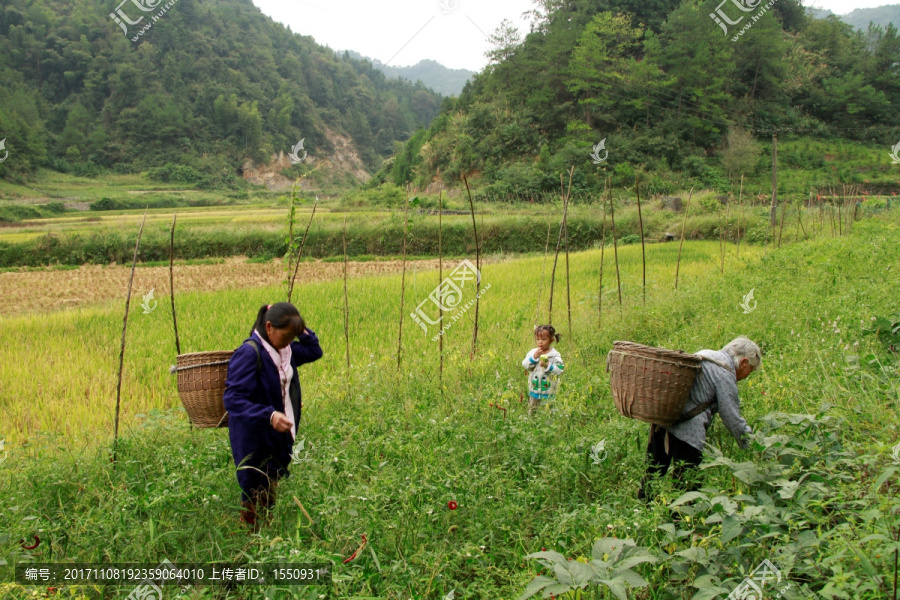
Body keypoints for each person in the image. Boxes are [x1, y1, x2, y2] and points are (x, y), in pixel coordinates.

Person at [223, 302, 323, 529]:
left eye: (293, 337)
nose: (290, 341)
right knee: (253, 488)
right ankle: (249, 538)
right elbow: (232, 399)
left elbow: (314, 351)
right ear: (269, 327)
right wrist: (269, 415)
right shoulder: (249, 353)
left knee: (270, 485)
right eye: (287, 335)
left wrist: (302, 329)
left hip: (278, 433)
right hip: (254, 436)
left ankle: (264, 534)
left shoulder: (286, 351)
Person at [638, 336, 761, 501]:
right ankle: (680, 522)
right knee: (687, 487)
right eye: (750, 370)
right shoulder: (725, 374)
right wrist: (754, 445)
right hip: (688, 432)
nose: (748, 375)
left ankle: (643, 512)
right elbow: (732, 417)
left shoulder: (706, 355)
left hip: (663, 420)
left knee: (652, 474)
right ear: (744, 362)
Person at [522, 325, 565, 413]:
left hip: (549, 390)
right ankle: (532, 423)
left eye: (544, 339)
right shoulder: (533, 352)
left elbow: (560, 370)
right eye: (538, 339)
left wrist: (548, 366)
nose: (540, 342)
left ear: (551, 340)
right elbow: (525, 365)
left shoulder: (554, 355)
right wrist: (534, 357)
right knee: (533, 409)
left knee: (549, 410)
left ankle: (549, 424)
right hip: (534, 388)